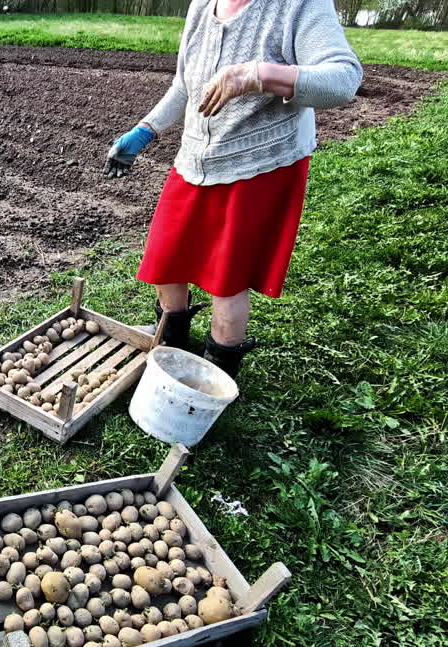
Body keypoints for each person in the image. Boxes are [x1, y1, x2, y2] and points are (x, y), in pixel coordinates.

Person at [105, 0, 363, 378]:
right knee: (165, 255)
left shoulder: (298, 5)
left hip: (258, 163)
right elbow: (184, 84)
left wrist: (256, 75)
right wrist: (146, 130)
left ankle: (215, 373)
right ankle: (171, 338)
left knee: (226, 278)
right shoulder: (202, 5)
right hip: (196, 157)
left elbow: (343, 80)